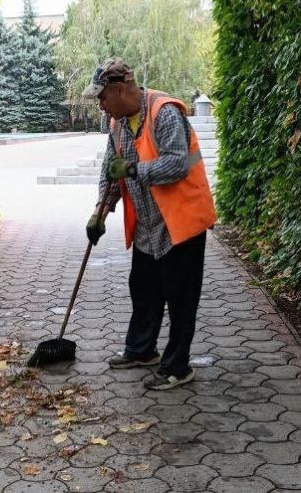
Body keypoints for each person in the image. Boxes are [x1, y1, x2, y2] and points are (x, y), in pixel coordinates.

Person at [82, 58, 216, 390]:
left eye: (101, 97)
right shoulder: (117, 123)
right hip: (148, 223)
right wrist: (100, 210)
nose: (100, 105)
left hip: (181, 221)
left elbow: (176, 164)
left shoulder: (163, 112)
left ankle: (178, 366)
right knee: (143, 289)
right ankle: (142, 350)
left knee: (180, 297)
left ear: (119, 90)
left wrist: (133, 171)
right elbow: (110, 170)